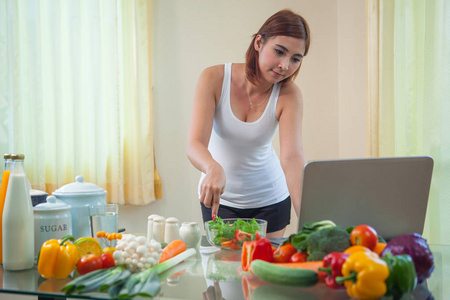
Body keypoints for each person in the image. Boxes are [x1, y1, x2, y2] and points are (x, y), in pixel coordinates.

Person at [187, 9, 310, 238]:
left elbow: (292, 157)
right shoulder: (213, 79)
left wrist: (312, 219)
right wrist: (212, 167)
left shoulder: (289, 94)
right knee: (225, 271)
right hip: (219, 199)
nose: (285, 65)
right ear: (259, 42)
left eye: (295, 58)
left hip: (271, 200)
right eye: (279, 51)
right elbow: (195, 144)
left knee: (266, 271)